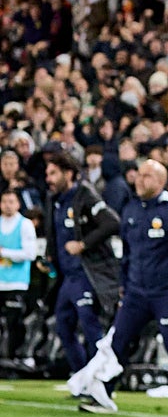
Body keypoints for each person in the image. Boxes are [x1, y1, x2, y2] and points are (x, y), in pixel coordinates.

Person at [79, 160, 168, 416]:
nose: (140, 180)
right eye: (139, 175)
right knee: (118, 342)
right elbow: (128, 253)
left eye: (147, 176)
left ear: (161, 181)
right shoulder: (131, 210)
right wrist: (123, 284)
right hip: (136, 292)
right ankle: (104, 395)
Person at [43, 155, 121, 375]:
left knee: (90, 325)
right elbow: (55, 233)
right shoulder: (53, 199)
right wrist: (51, 255)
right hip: (67, 277)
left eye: (53, 173)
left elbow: (112, 222)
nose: (48, 179)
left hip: (87, 273)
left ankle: (101, 379)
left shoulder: (84, 195)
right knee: (63, 328)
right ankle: (83, 376)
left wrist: (83, 244)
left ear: (68, 174)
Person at [0, 189, 38, 361]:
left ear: (18, 204)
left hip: (16, 282)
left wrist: (5, 253)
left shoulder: (25, 224)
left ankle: (14, 358)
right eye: (4, 201)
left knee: (14, 323)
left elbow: (30, 254)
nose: (7, 205)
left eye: (11, 201)